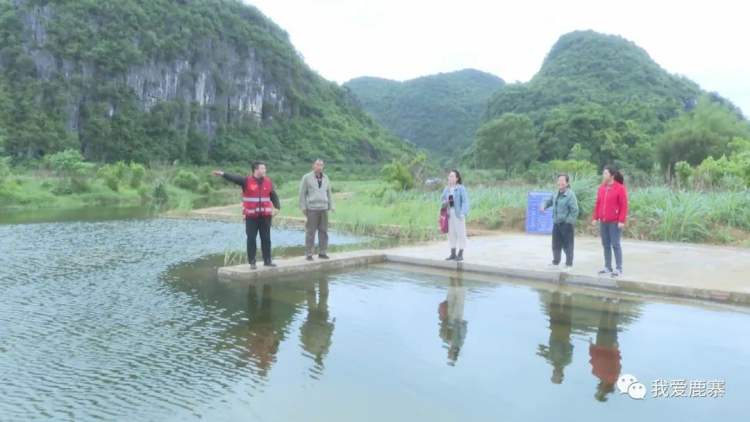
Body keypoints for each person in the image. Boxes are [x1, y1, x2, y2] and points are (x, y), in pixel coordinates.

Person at [213, 161, 280, 270]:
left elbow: (273, 195)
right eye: (262, 168)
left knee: (266, 239)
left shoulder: (268, 182)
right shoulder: (246, 181)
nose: (265, 170)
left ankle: (267, 261)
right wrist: (223, 174)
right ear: (256, 170)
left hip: (265, 216)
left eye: (265, 168)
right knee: (251, 239)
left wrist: (277, 207)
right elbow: (234, 178)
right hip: (251, 217)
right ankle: (252, 262)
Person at [591, 165, 628, 277]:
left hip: (615, 222)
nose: (604, 175)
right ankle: (608, 267)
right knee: (605, 244)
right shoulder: (602, 188)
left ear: (612, 175)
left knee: (615, 244)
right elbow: (598, 203)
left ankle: (619, 268)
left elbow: (624, 205)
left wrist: (621, 220)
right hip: (603, 221)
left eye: (606, 173)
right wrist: (595, 217)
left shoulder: (620, 188)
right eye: (604, 173)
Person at [540, 174, 579, 270]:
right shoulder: (556, 193)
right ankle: (555, 262)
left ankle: (569, 264)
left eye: (562, 180)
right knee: (556, 244)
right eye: (559, 180)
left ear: (567, 183)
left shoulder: (570, 195)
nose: (560, 182)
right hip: (556, 223)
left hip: (566, 224)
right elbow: (548, 201)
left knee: (567, 245)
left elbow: (575, 210)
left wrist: (569, 222)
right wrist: (543, 206)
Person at [299, 159, 334, 261]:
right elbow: (302, 193)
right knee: (311, 232)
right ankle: (309, 253)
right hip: (312, 208)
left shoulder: (326, 177)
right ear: (313, 166)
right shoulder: (307, 177)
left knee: (324, 231)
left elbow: (329, 193)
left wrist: (331, 206)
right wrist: (303, 207)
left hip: (324, 208)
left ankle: (322, 252)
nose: (319, 167)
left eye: (321, 165)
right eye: (317, 164)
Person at [440, 169, 470, 261]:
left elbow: (465, 202)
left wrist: (462, 213)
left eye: (452, 176)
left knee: (461, 234)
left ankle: (460, 254)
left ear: (457, 178)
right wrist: (445, 202)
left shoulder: (461, 188)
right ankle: (453, 253)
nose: (450, 178)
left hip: (458, 214)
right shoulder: (447, 189)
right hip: (449, 214)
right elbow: (442, 199)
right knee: (451, 234)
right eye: (449, 176)